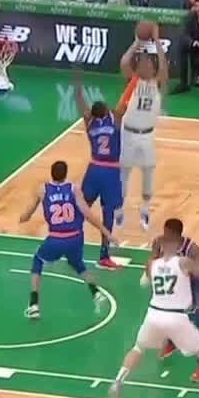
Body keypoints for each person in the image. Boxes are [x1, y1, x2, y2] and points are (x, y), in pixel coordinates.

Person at [108, 228, 199, 398]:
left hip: (154, 315)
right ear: (177, 245)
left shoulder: (151, 264)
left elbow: (144, 282)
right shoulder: (184, 262)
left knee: (138, 348)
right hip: (176, 317)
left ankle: (117, 381)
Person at [18, 160, 112, 319]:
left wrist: (23, 217)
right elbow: (88, 214)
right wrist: (106, 233)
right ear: (65, 174)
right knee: (78, 264)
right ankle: (96, 292)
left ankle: (34, 304)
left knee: (38, 260)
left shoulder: (43, 190)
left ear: (51, 173)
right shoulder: (74, 189)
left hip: (56, 238)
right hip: (75, 237)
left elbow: (27, 215)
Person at [147, 219, 199, 381]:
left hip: (191, 288)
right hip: (171, 287)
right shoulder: (158, 242)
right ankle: (172, 342)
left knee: (195, 324)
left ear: (177, 235)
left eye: (168, 233)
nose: (164, 235)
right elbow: (153, 260)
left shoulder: (191, 248)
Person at [74, 72, 124, 269]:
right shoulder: (115, 119)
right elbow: (124, 101)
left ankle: (67, 244)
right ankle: (104, 256)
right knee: (108, 214)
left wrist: (77, 84)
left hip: (94, 170)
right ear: (106, 111)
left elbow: (80, 101)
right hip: (110, 172)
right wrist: (133, 80)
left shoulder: (89, 122)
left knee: (82, 208)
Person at [116, 36, 166, 233]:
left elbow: (163, 67)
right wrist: (136, 42)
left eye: (149, 64)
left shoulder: (157, 83)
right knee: (123, 174)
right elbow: (124, 63)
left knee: (147, 173)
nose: (146, 67)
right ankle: (119, 209)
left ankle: (145, 210)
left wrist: (158, 43)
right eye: (143, 64)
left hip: (147, 136)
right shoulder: (134, 82)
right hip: (128, 133)